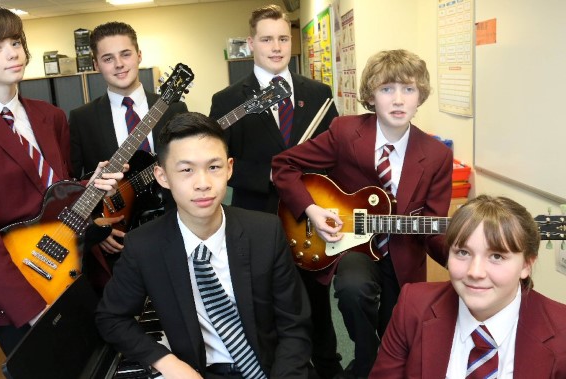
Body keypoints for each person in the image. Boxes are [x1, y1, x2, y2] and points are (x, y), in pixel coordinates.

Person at [0, 5, 123, 355]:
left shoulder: (52, 116)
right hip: (18, 291)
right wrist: (32, 308)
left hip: (75, 269)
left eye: (15, 42)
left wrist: (85, 186)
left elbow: (50, 195)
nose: (12, 52)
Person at [272, 49, 453, 378]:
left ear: (420, 95)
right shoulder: (345, 132)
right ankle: (366, 363)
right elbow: (284, 165)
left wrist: (464, 253)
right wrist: (312, 210)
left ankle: (371, 364)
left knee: (398, 333)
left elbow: (435, 228)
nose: (398, 100)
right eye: (387, 89)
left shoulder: (437, 155)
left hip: (404, 254)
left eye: (408, 89)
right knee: (354, 289)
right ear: (371, 95)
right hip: (350, 246)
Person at [95, 112, 312, 378]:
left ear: (230, 168)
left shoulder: (265, 231)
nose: (203, 184)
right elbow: (112, 318)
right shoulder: (143, 245)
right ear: (162, 177)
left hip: (270, 367)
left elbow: (295, 325)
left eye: (214, 167)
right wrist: (168, 363)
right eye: (186, 170)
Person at [209, 5, 341, 377]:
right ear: (251, 43)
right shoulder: (228, 100)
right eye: (266, 39)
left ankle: (328, 366)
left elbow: (333, 157)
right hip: (258, 215)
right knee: (265, 302)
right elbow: (219, 162)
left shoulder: (319, 93)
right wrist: (270, 174)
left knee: (316, 299)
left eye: (283, 38)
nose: (276, 46)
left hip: (309, 216)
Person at [370, 195, 566, 378]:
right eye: (463, 253)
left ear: (526, 265)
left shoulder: (561, 331)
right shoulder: (413, 306)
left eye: (496, 256)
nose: (475, 272)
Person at [69, 21, 187, 290]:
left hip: (175, 226)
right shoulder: (82, 119)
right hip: (118, 238)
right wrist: (94, 228)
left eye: (125, 54)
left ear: (139, 55)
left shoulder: (173, 108)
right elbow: (75, 182)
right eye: (108, 58)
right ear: (97, 65)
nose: (119, 64)